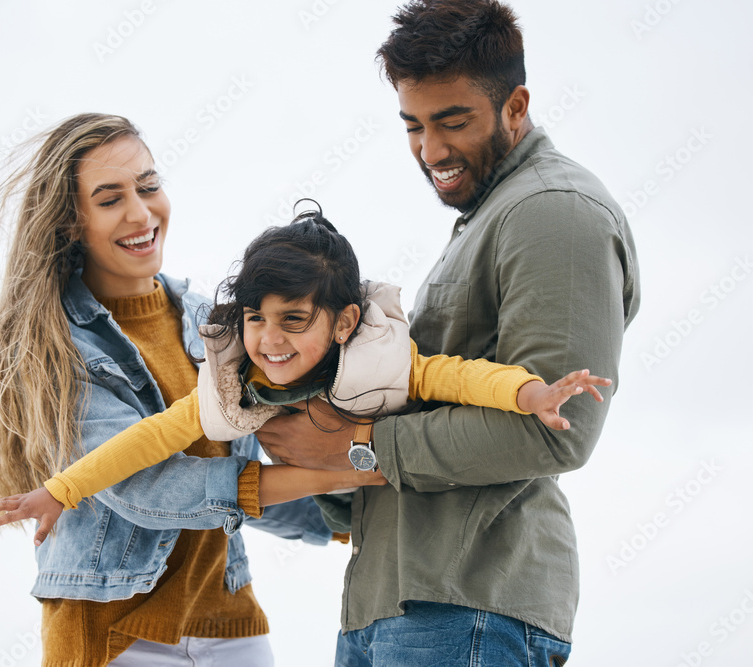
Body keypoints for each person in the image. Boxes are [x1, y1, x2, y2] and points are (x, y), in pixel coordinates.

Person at [254, 2, 641, 665]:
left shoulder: (552, 213)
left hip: (467, 611)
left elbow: (560, 425)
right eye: (413, 125)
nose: (431, 151)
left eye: (452, 122)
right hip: (396, 605)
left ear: (515, 106)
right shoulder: (489, 216)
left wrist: (355, 444)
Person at [0, 114, 356, 667]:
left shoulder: (215, 324)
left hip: (229, 621)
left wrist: (352, 512)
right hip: (113, 633)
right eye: (109, 199)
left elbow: (256, 476)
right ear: (70, 223)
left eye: (148, 186)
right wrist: (352, 472)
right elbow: (146, 486)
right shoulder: (54, 347)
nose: (140, 212)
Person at [0, 207, 611, 544]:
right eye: (256, 318)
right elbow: (147, 440)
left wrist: (531, 392)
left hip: (416, 484)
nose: (269, 340)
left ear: (343, 325)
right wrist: (60, 491)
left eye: (294, 320)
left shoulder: (379, 359)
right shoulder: (238, 383)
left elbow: (457, 376)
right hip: (340, 505)